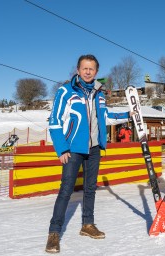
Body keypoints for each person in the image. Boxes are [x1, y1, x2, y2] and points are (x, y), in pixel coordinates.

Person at [46, 54, 130, 253]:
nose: (88, 71)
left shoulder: (99, 93)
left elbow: (106, 117)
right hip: (73, 149)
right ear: (78, 70)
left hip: (94, 149)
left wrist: (129, 114)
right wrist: (62, 148)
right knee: (66, 189)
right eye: (84, 68)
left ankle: (87, 225)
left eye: (91, 68)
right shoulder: (66, 91)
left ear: (96, 72)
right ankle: (54, 233)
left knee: (90, 188)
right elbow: (54, 120)